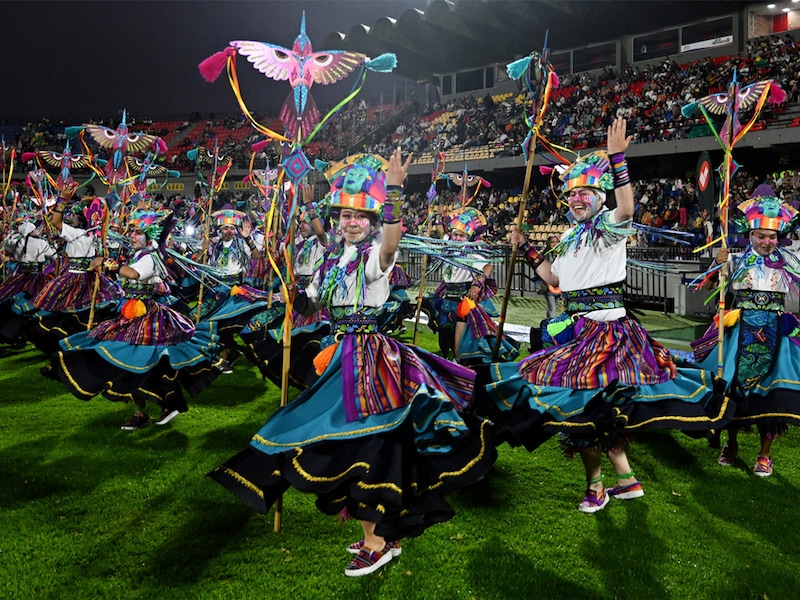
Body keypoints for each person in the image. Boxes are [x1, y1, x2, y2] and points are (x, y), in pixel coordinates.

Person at [209, 150, 495, 577]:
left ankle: (376, 540)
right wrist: (292, 291)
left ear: (373, 221)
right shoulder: (330, 260)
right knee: (354, 439)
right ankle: (383, 532)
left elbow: (394, 241)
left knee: (361, 440)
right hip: (341, 353)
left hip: (371, 357)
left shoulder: (378, 255)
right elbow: (312, 304)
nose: (350, 222)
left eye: (359, 216)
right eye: (343, 215)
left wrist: (395, 191)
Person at [483, 119, 729, 513]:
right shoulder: (567, 237)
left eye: (586, 193)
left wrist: (617, 160)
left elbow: (628, 206)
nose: (578, 199)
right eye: (573, 193)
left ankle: (597, 488)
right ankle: (626, 481)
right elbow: (554, 279)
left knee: (581, 408)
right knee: (593, 409)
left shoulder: (610, 227)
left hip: (606, 333)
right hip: (577, 331)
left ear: (600, 196)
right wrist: (527, 248)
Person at [49, 207, 220, 430]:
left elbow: (134, 274)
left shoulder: (151, 256)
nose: (132, 236)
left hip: (148, 316)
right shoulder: (135, 255)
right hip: (130, 313)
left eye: (138, 232)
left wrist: (107, 263)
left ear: (149, 237)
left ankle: (166, 402)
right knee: (123, 360)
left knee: (137, 362)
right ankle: (142, 412)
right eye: (131, 232)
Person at [692, 190, 800, 477]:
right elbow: (712, 282)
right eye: (761, 236)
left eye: (772, 237)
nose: (767, 242)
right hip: (740, 330)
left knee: (773, 391)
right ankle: (731, 443)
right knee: (733, 385)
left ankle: (765, 454)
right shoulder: (735, 259)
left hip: (775, 330)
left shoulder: (789, 261)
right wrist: (718, 260)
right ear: (750, 235)